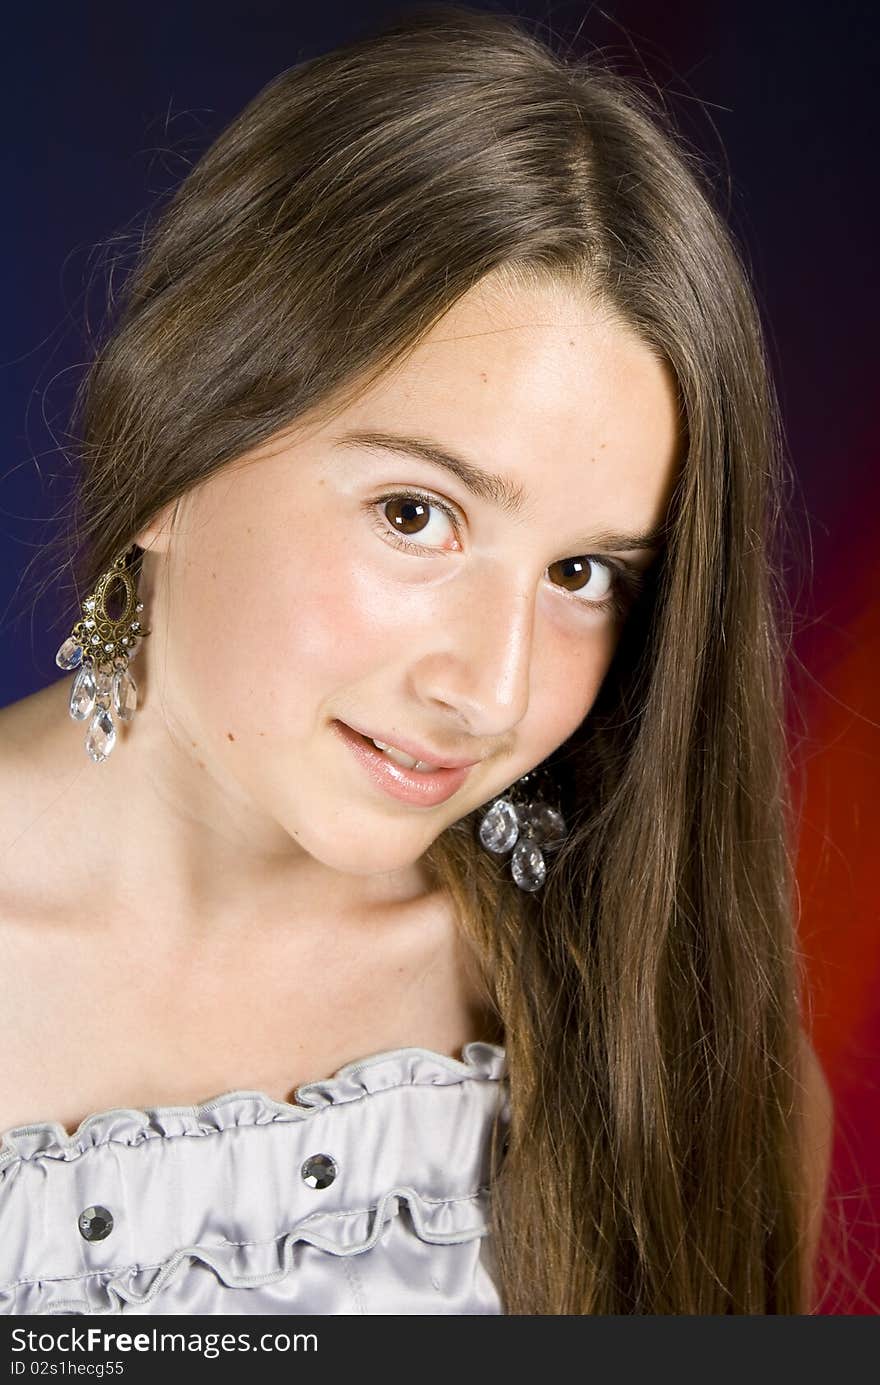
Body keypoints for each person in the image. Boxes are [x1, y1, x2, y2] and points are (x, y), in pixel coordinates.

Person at [0, 4, 833, 1315]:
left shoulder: (662, 1045)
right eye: (415, 514)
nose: (490, 690)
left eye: (583, 573)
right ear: (169, 445)